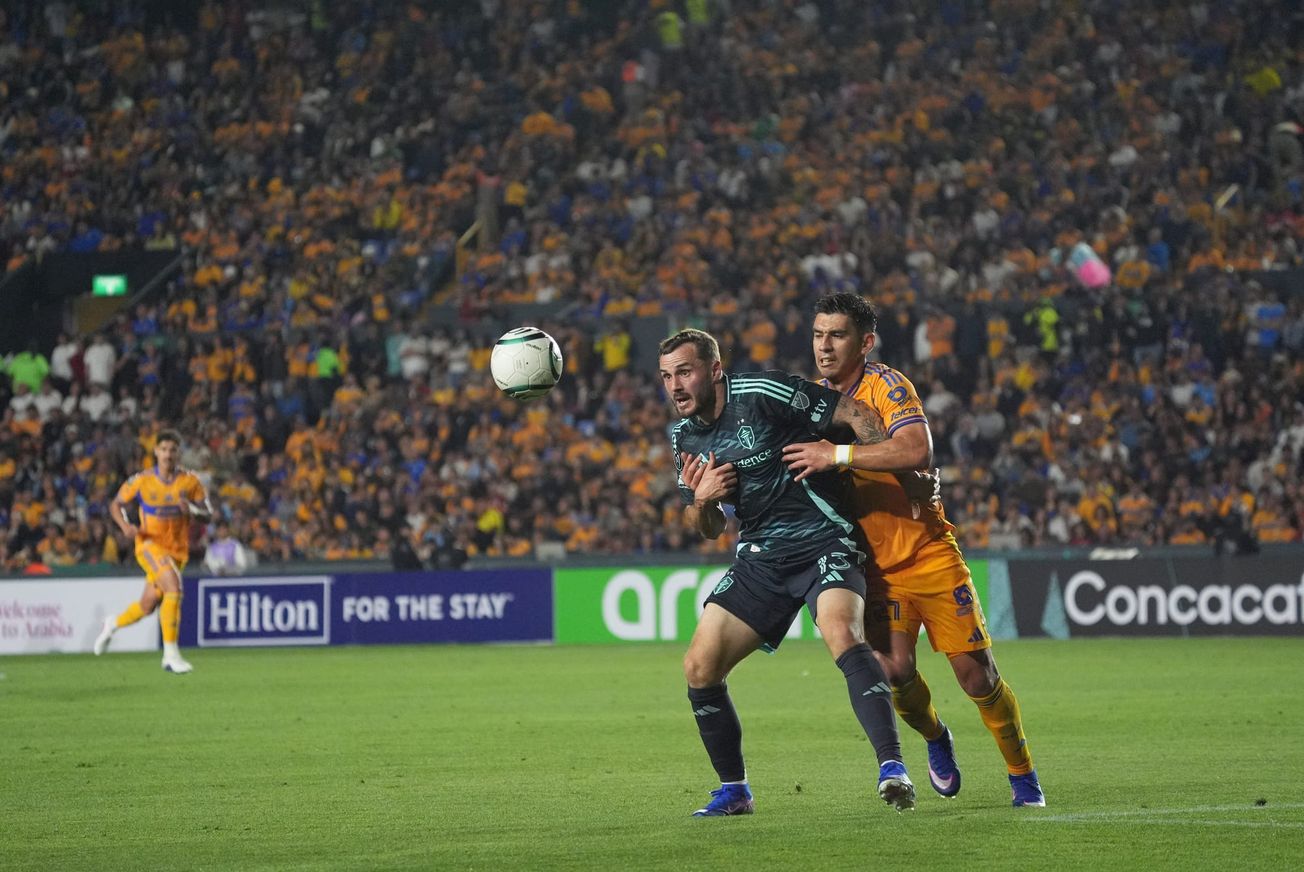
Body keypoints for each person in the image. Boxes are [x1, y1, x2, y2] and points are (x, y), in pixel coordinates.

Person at [782, 293, 1045, 808]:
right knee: (894, 670)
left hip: (927, 552)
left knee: (976, 675)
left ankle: (1022, 774)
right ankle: (936, 737)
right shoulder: (811, 400)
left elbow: (916, 448)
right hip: (873, 566)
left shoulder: (887, 384)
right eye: (818, 334)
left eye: (837, 335)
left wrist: (836, 453)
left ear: (865, 342)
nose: (825, 346)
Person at [658, 328, 914, 817]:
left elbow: (855, 414)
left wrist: (894, 478)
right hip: (761, 557)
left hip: (824, 536)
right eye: (667, 376)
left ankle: (892, 768)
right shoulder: (683, 436)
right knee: (699, 667)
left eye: (685, 372)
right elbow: (706, 527)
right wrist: (705, 500)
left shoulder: (763, 393)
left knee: (842, 631)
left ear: (714, 370)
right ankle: (734, 791)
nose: (675, 386)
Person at [94, 430, 211, 674]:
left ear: (179, 453)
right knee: (173, 588)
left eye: (173, 450)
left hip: (177, 551)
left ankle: (112, 623)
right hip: (149, 545)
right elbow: (116, 504)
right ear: (156, 451)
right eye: (164, 449)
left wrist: (191, 509)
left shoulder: (190, 481)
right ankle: (170, 654)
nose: (168, 454)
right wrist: (126, 526)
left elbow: (208, 514)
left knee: (147, 606)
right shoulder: (142, 480)